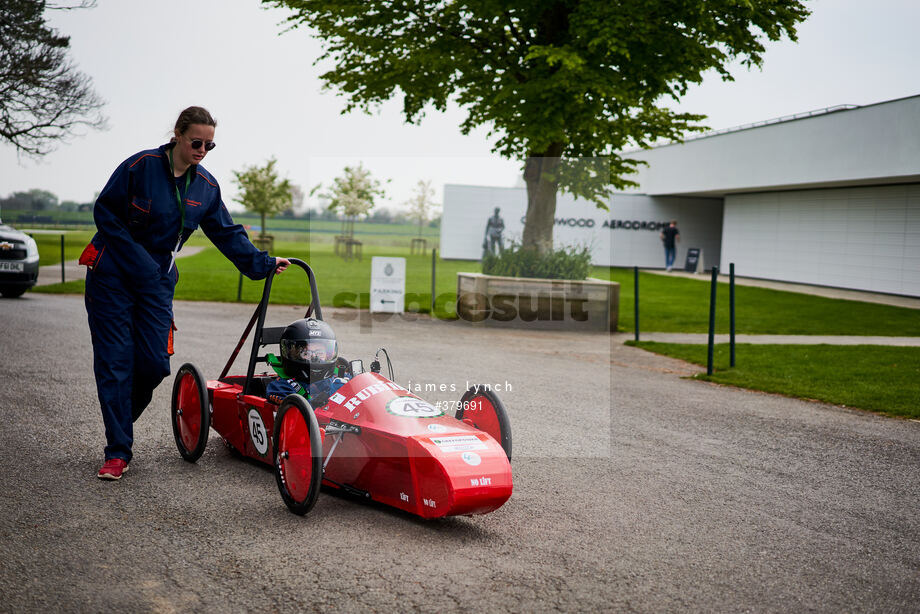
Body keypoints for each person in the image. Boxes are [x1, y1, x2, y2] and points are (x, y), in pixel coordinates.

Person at [82, 106, 290, 480]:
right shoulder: (139, 166)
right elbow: (105, 213)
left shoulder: (205, 187)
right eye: (196, 142)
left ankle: (117, 418)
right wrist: (139, 263)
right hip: (111, 275)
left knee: (154, 364)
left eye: (210, 145)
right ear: (177, 134)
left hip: (158, 283)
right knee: (115, 362)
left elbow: (226, 232)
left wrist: (263, 263)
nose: (202, 150)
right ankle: (118, 450)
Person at [265, 318, 348, 407]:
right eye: (306, 353)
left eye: (319, 353)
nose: (314, 358)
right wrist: (331, 395)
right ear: (294, 355)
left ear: (328, 355)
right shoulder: (281, 387)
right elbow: (300, 411)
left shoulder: (337, 377)